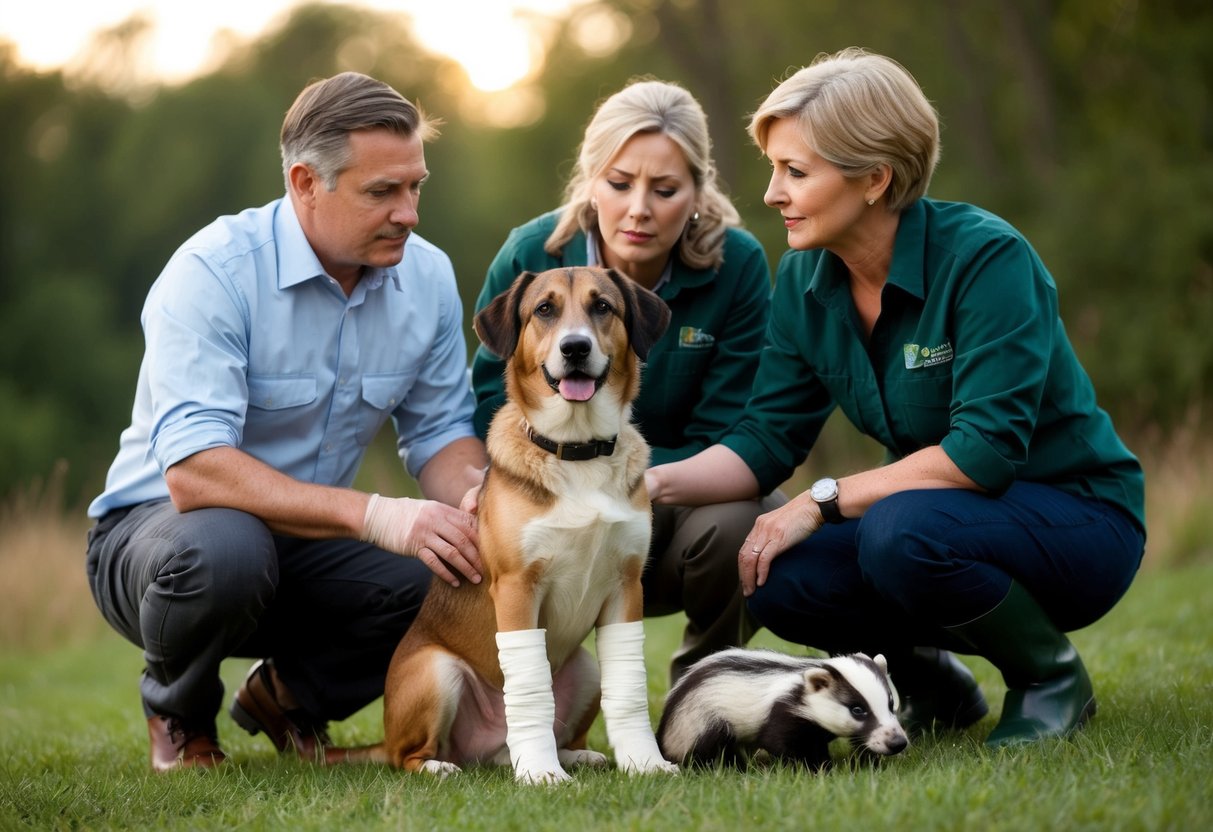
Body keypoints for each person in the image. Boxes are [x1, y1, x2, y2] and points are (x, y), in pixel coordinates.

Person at [644, 49, 1146, 748]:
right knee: (772, 571)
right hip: (939, 520)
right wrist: (648, 481)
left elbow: (983, 453)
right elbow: (764, 438)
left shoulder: (986, 259)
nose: (770, 193)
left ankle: (1050, 677)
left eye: (794, 171)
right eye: (772, 169)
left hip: (1078, 522)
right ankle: (922, 681)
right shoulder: (802, 281)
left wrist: (817, 500)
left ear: (874, 178)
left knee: (897, 530)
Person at [85, 72, 489, 772]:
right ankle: (179, 715)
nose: (409, 213)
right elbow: (193, 471)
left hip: (307, 542)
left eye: (415, 186)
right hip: (162, 542)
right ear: (305, 182)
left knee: (458, 568)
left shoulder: (426, 278)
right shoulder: (212, 272)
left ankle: (290, 696)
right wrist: (379, 514)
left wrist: (478, 504)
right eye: (381, 192)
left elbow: (439, 433)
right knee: (227, 547)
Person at [470, 79, 783, 685]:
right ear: (591, 182)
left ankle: (707, 686)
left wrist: (627, 485)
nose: (639, 208)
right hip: (545, 498)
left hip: (672, 502)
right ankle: (514, 700)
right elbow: (490, 396)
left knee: (745, 518)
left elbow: (733, 426)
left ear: (697, 191)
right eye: (619, 184)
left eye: (665, 189)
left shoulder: (737, 265)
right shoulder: (531, 254)